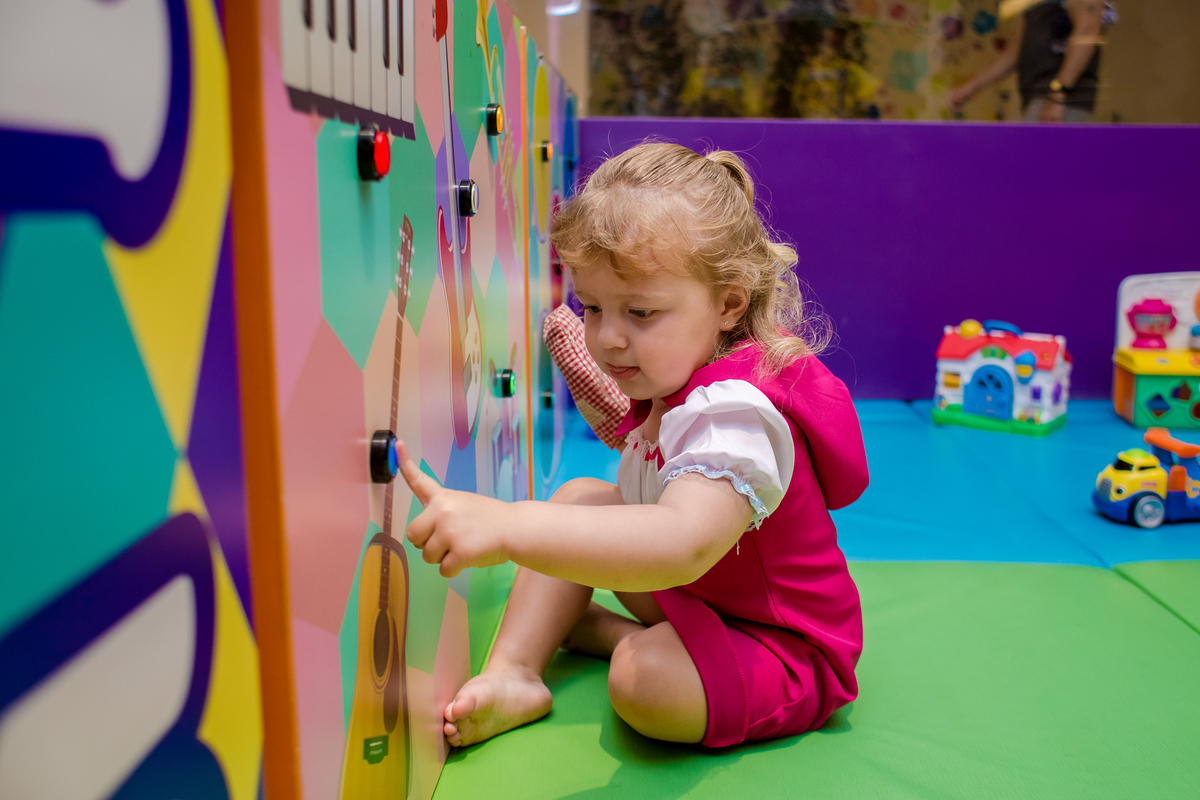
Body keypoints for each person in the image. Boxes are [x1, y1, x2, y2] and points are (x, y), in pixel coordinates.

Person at [395, 142, 869, 748]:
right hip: (709, 597)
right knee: (577, 500)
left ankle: (614, 638)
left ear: (729, 304)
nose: (608, 338)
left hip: (783, 648)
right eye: (593, 307)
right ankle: (514, 672)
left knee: (644, 679)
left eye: (640, 312)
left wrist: (510, 525)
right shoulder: (675, 379)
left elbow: (683, 543)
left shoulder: (737, 416)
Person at [949, 0, 1113, 123]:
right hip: (1037, 100)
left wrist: (1058, 93)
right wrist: (973, 85)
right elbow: (1017, 49)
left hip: (1062, 104)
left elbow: (1088, 31)